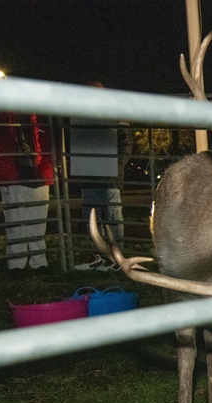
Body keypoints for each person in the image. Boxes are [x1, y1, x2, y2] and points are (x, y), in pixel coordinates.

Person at [0, 111, 55, 272]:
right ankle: (20, 264)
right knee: (17, 222)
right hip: (17, 177)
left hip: (35, 175)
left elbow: (49, 148)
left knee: (35, 222)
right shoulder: (2, 119)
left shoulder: (32, 119)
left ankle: (35, 262)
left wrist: (44, 170)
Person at [71, 82, 133, 270]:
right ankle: (97, 256)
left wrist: (116, 165)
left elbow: (126, 142)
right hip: (89, 174)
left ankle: (116, 258)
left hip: (109, 175)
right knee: (91, 217)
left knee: (112, 216)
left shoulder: (115, 112)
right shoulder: (82, 115)